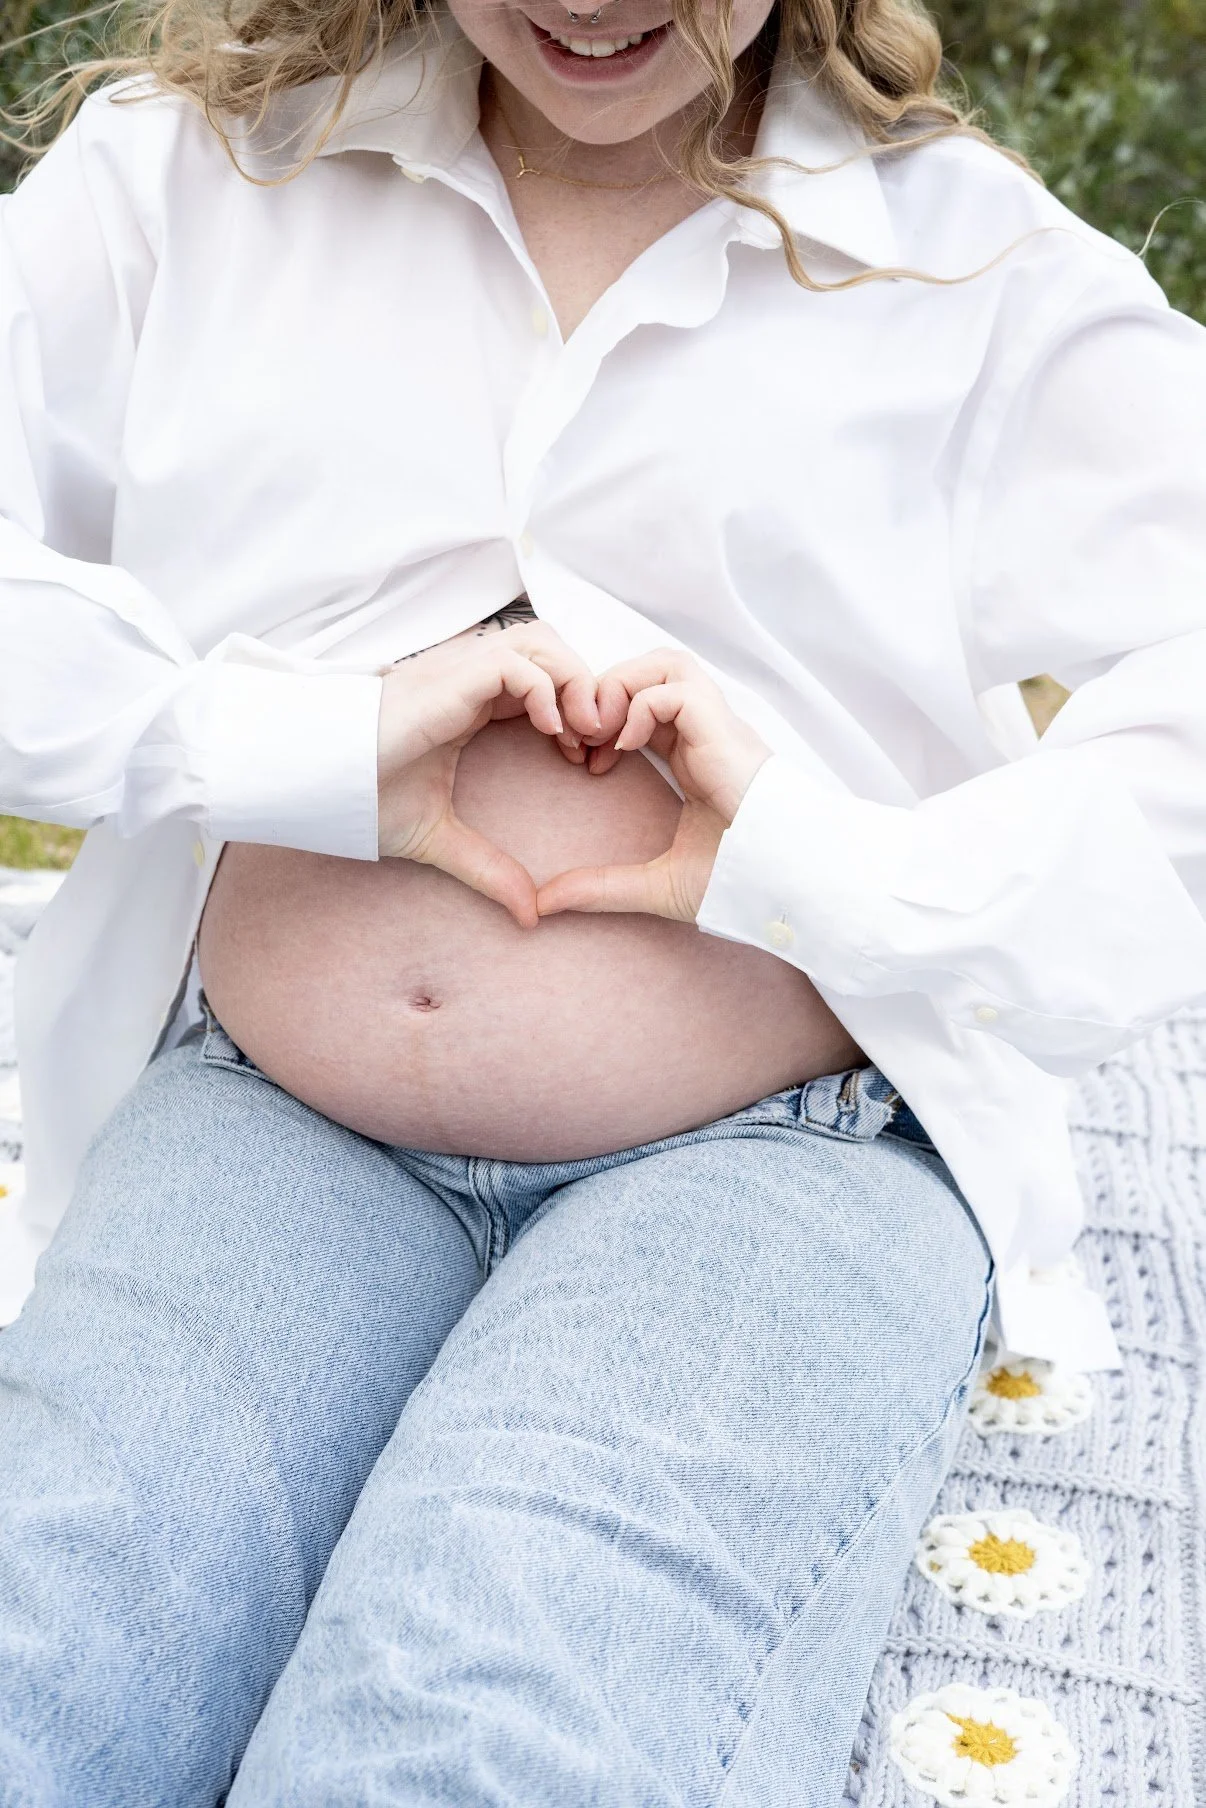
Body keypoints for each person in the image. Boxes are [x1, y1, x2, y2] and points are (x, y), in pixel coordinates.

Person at [0, 0, 1204, 1797]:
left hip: (771, 1150)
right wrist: (280, 741)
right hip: (274, 1114)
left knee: (476, 1734)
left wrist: (825, 862)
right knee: (46, 1646)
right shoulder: (190, 184)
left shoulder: (978, 277)